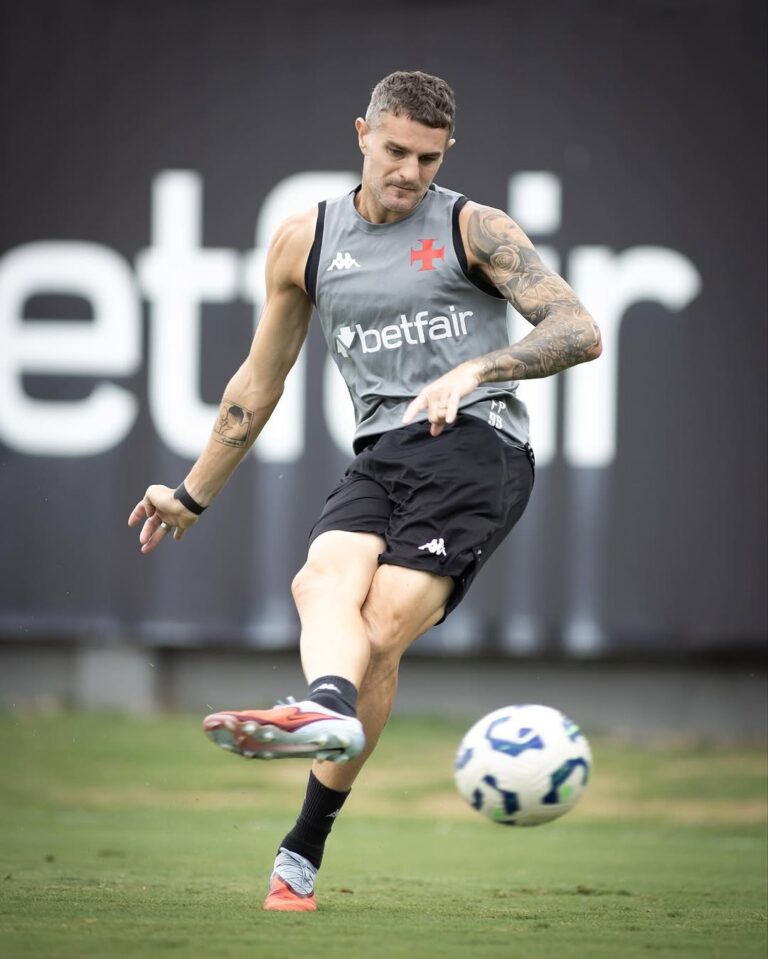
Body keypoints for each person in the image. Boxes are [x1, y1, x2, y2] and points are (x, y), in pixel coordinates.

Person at [128, 70, 601, 912]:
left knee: (379, 627)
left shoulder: (474, 227)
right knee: (318, 582)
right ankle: (327, 707)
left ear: (444, 153)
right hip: (383, 450)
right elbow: (256, 383)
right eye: (395, 150)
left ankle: (300, 848)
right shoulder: (303, 242)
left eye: (428, 156)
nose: (410, 171)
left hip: (478, 444)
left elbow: (578, 328)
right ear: (361, 133)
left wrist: (479, 366)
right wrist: (191, 496)